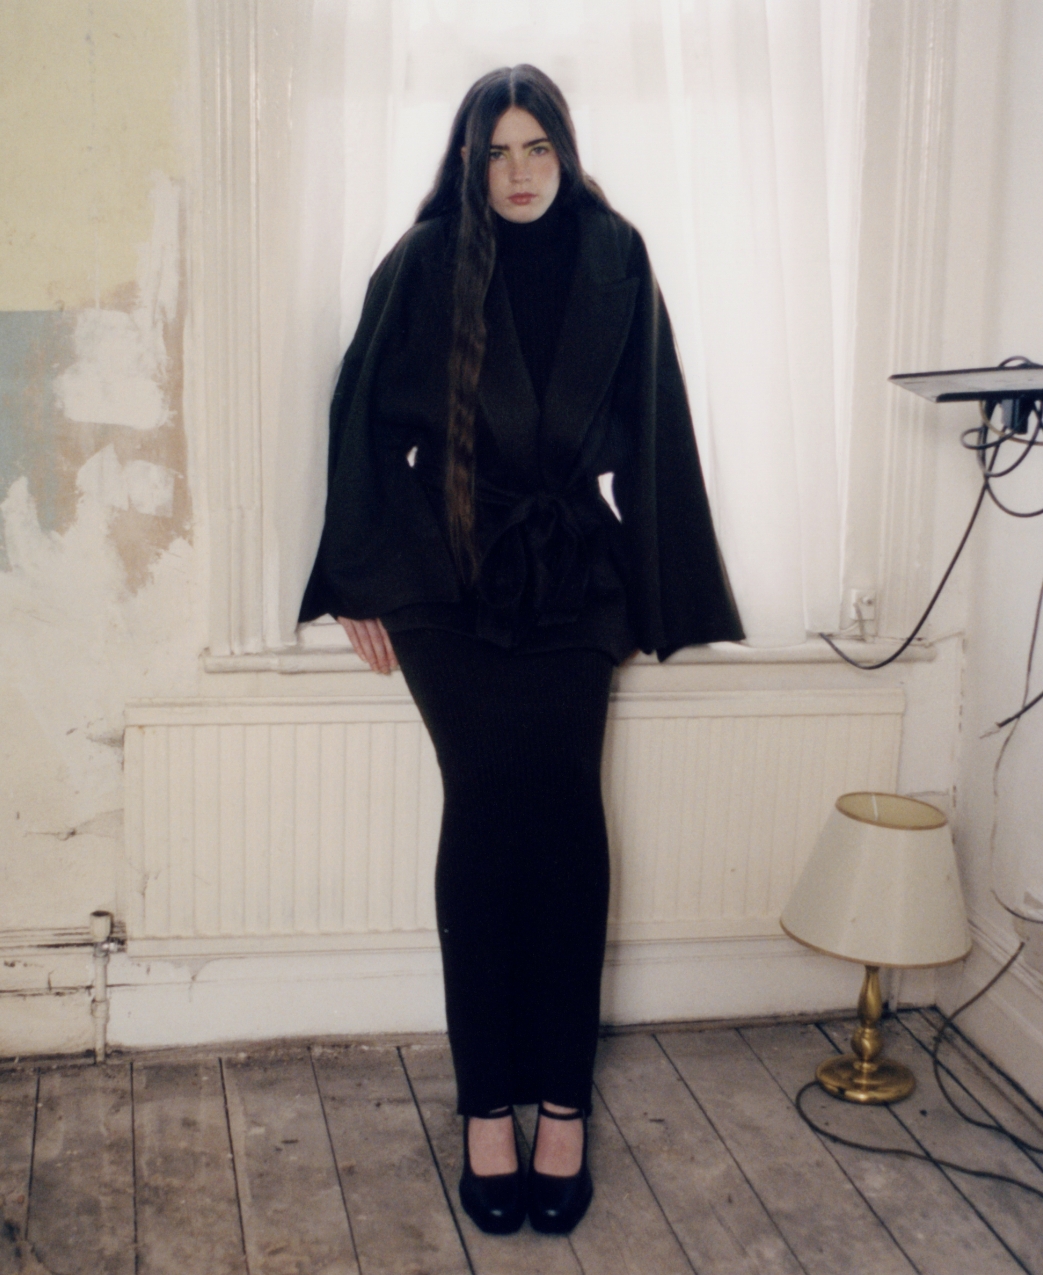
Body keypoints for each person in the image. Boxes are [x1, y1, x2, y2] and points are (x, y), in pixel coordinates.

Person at [299, 64, 743, 1236]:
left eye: (535, 146)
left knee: (564, 820)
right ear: (467, 159)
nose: (517, 171)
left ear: (563, 148)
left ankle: (562, 1107)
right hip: (444, 579)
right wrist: (357, 575)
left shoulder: (616, 254)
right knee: (488, 812)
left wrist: (656, 588)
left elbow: (657, 422)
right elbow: (357, 417)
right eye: (495, 151)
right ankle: (484, 1109)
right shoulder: (421, 261)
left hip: (569, 576)